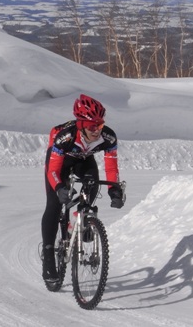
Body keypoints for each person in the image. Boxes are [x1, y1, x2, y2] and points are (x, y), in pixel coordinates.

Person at [41, 94, 124, 284]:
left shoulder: (108, 137)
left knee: (92, 186)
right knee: (54, 204)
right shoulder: (65, 136)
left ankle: (79, 221)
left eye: (100, 125)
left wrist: (114, 190)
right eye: (92, 126)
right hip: (61, 161)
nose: (97, 130)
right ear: (81, 125)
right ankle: (48, 258)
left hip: (84, 159)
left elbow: (111, 168)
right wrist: (60, 187)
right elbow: (53, 170)